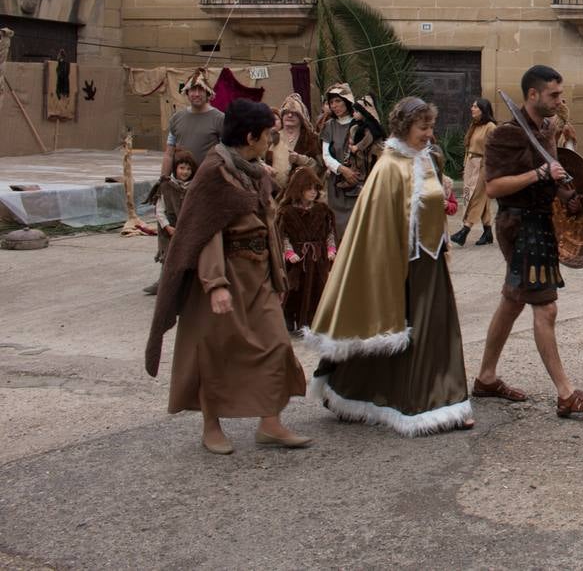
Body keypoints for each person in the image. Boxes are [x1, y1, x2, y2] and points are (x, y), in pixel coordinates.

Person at [144, 98, 310, 455]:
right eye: (267, 135)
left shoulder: (252, 169)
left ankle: (270, 423)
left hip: (258, 276)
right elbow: (204, 233)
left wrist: (277, 276)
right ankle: (211, 425)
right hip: (223, 276)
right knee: (215, 353)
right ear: (250, 136)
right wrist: (215, 284)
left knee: (277, 344)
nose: (271, 141)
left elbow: (269, 225)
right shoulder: (213, 172)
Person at [307, 96, 474, 435]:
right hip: (402, 266)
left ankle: (444, 401)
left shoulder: (427, 159)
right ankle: (395, 398)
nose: (429, 133)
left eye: (431, 126)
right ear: (404, 127)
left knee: (436, 334)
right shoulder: (388, 166)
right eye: (423, 127)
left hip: (430, 261)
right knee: (395, 332)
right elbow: (377, 229)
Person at [474, 65, 583, 418]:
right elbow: (493, 187)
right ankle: (566, 394)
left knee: (512, 302)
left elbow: (550, 175)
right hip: (518, 225)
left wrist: (565, 194)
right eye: (553, 95)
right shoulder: (506, 135)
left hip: (541, 221)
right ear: (532, 95)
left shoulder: (547, 129)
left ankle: (486, 378)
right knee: (545, 307)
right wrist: (540, 174)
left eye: (560, 94)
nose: (559, 101)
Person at [144, 70, 224, 295]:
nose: (195, 94)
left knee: (201, 234)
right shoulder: (177, 118)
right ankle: (167, 280)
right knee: (169, 231)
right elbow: (169, 152)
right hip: (177, 186)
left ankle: (202, 282)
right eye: (191, 90)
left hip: (205, 186)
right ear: (186, 92)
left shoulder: (219, 118)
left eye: (200, 89)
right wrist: (163, 181)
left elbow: (226, 151)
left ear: (207, 93)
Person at [277, 166, 336, 335]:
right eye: (308, 189)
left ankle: (312, 321)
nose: (313, 192)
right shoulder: (287, 212)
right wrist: (288, 252)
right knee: (295, 289)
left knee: (317, 289)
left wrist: (331, 249)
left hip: (318, 258)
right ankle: (290, 317)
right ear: (299, 189)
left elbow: (330, 231)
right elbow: (283, 236)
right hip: (297, 259)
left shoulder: (322, 210)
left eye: (315, 189)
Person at [143, 149, 197, 294]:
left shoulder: (194, 188)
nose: (185, 172)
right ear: (175, 168)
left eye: (188, 169)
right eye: (181, 168)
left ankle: (186, 288)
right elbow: (160, 211)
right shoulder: (166, 186)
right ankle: (163, 284)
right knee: (167, 258)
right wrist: (167, 227)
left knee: (187, 258)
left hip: (187, 229)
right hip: (170, 228)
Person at [450, 98, 497, 247]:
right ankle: (488, 232)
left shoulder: (490, 127)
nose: (472, 108)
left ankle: (465, 230)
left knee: (475, 198)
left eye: (475, 106)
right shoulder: (475, 126)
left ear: (483, 109)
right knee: (469, 196)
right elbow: (468, 147)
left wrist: (489, 169)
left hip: (483, 166)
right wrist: (466, 164)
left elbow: (494, 150)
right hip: (471, 165)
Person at [320, 83, 360, 240]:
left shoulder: (358, 124)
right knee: (338, 229)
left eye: (338, 101)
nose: (334, 105)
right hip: (336, 185)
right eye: (331, 102)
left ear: (347, 101)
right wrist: (343, 170)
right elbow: (326, 155)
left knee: (356, 228)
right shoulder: (329, 126)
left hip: (358, 182)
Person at [266, 93, 322, 193]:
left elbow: (320, 167)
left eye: (294, 113)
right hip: (273, 193)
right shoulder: (270, 137)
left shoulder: (311, 139)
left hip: (301, 194)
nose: (290, 115)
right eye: (286, 112)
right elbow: (258, 160)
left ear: (302, 118)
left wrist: (300, 159)